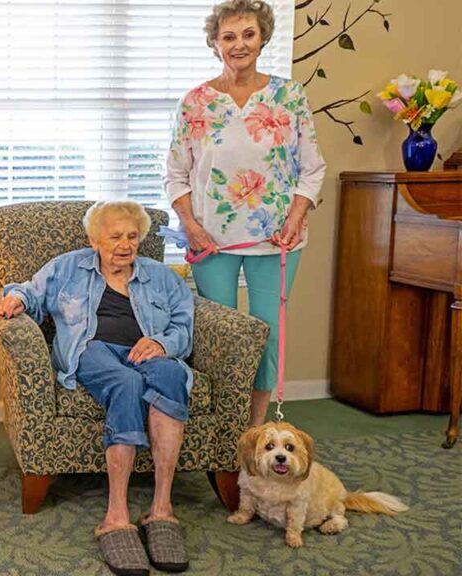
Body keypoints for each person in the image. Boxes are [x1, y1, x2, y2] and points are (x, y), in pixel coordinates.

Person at [0, 201, 194, 575]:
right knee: (126, 382)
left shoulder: (161, 277)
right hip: (92, 351)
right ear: (94, 239)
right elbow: (30, 291)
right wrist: (17, 299)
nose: (125, 244)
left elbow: (184, 326)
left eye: (132, 236)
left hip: (147, 350)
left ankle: (161, 509)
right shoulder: (68, 266)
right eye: (115, 236)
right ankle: (116, 515)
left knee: (171, 376)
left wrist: (163, 344)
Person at [165, 0, 326, 427]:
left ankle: (254, 432)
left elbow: (312, 169)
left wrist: (295, 218)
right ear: (215, 43)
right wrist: (192, 227)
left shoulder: (289, 97)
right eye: (229, 36)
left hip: (278, 240)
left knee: (265, 335)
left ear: (263, 38)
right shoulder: (195, 102)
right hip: (211, 240)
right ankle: (222, 429)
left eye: (248, 35)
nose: (239, 45)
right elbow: (175, 176)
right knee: (221, 339)